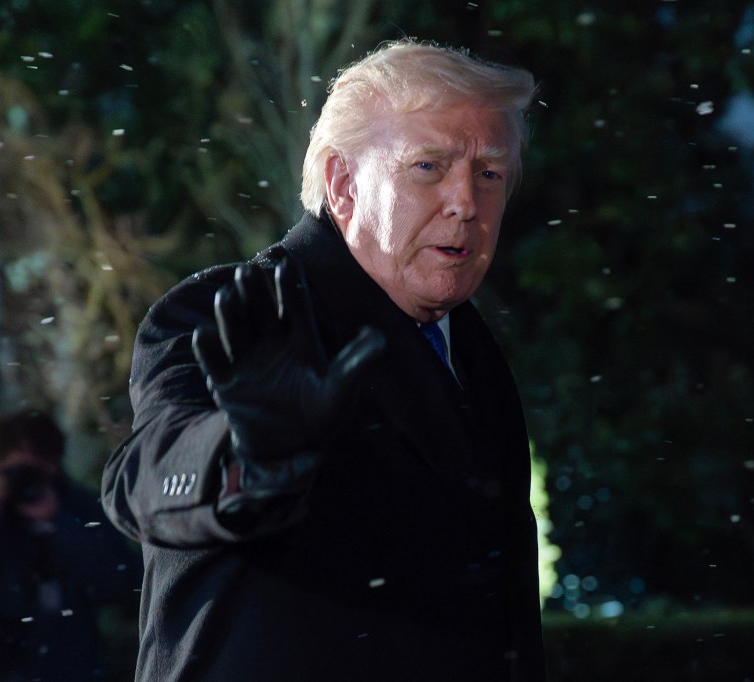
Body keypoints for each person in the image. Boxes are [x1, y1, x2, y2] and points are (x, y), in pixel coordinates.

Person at [101, 38, 545, 681]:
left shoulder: (471, 348)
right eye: (428, 165)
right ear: (342, 183)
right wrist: (248, 453)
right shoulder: (237, 311)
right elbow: (143, 484)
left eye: (490, 173)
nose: (466, 203)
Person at [0, 407, 142, 681]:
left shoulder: (77, 505)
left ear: (53, 465)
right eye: (15, 470)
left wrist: (58, 524)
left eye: (33, 470)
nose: (24, 481)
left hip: (68, 666)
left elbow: (122, 581)